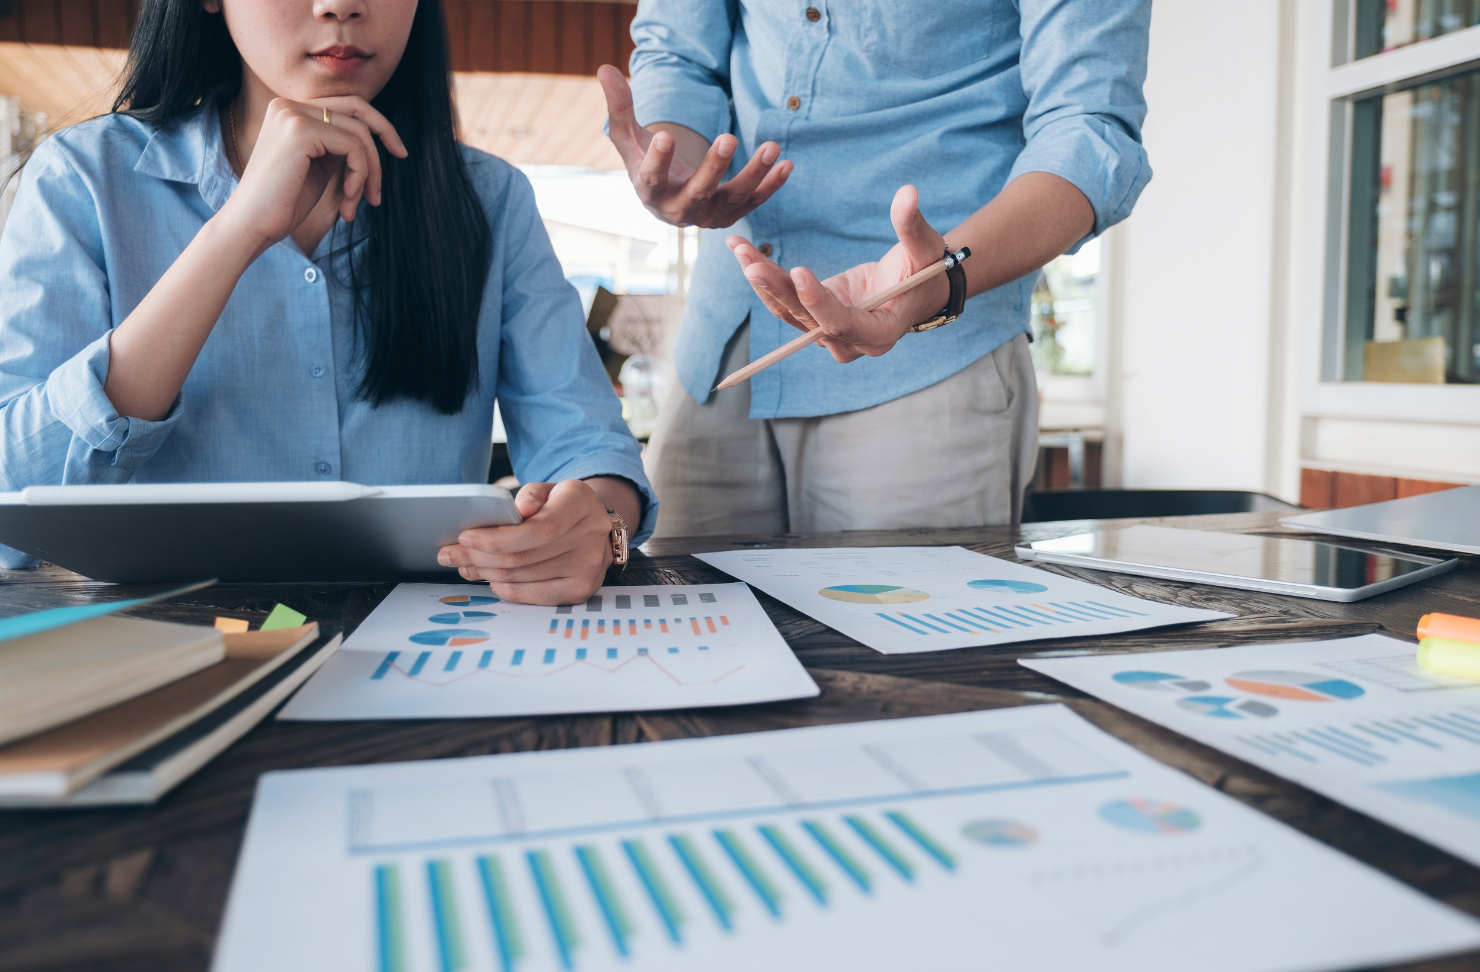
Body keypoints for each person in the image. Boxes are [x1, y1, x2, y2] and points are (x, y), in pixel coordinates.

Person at [0, 0, 652, 604]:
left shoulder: (489, 201)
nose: (340, 5)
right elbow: (13, 502)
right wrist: (235, 231)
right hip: (165, 655)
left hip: (427, 658)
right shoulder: (84, 179)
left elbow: (588, 445)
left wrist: (596, 520)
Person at [601, 0, 1151, 536]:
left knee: (907, 626)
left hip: (929, 362)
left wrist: (939, 278)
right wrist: (679, 162)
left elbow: (1088, 128)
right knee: (696, 616)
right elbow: (679, 52)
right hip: (721, 346)